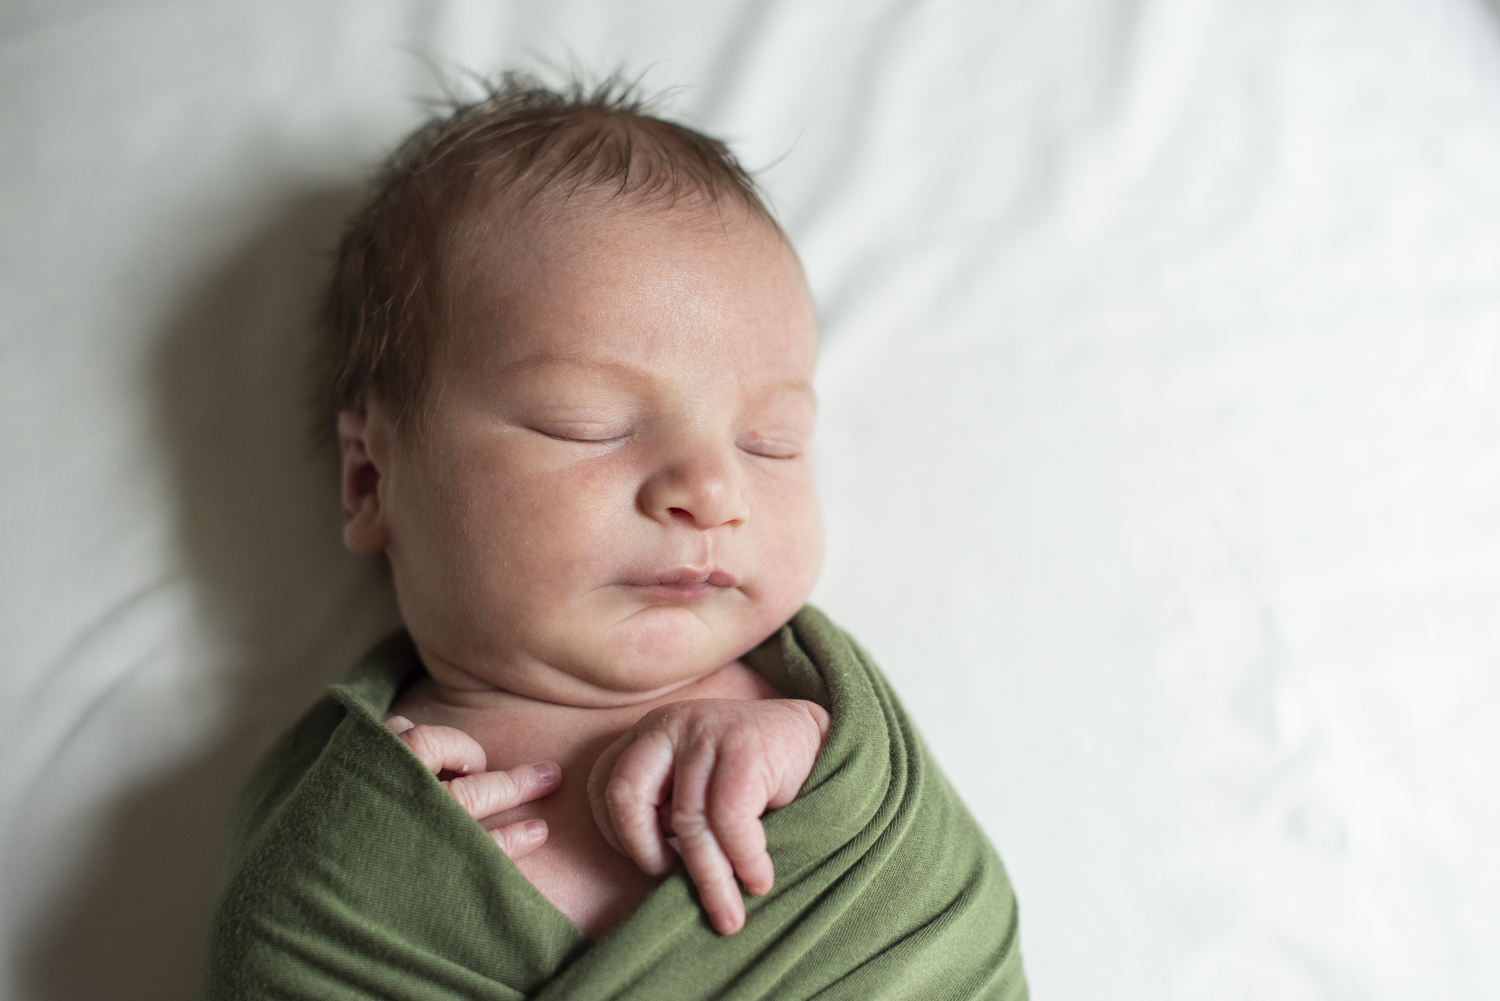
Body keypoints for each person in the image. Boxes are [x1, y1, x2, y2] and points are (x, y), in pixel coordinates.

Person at [201, 74, 1027, 1000]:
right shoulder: (343, 824)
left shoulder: (817, 721)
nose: (713, 490)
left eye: (772, 442)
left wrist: (802, 743)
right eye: (586, 424)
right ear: (370, 478)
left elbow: (932, 908)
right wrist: (345, 868)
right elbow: (272, 950)